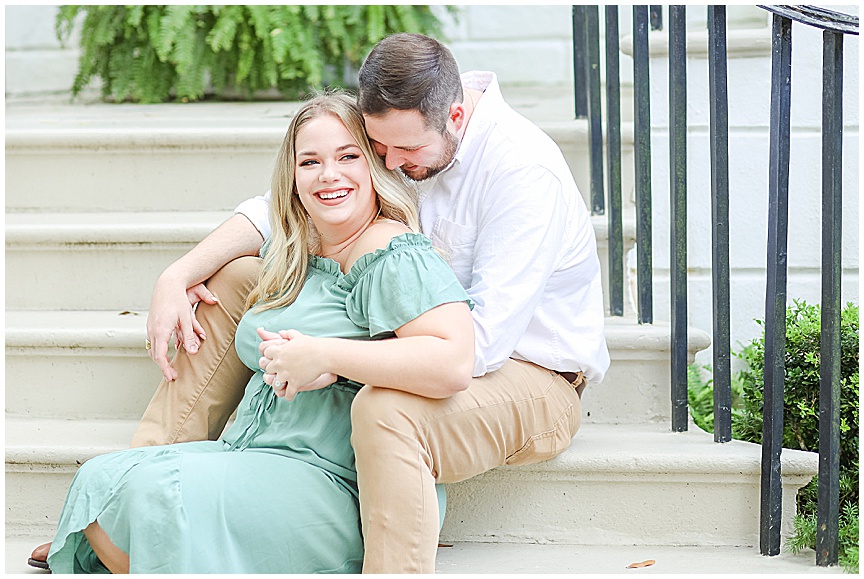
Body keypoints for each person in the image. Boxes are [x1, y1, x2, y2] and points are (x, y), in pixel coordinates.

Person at [30, 33, 610, 573]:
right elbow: (282, 206)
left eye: (396, 151)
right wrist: (176, 276)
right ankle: (155, 475)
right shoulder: (405, 137)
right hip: (411, 327)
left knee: (385, 409)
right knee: (235, 278)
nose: (386, 163)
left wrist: (332, 351)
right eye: (374, 147)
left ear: (456, 118)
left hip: (528, 374)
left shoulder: (522, 175)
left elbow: (473, 351)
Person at [38, 92, 475, 573]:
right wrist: (177, 276)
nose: (329, 175)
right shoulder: (300, 253)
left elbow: (452, 360)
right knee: (101, 481)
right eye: (310, 161)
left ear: (376, 165)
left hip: (330, 480)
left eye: (349, 156)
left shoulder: (391, 252)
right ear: (292, 177)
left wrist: (327, 356)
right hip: (253, 457)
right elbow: (253, 227)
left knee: (152, 495)